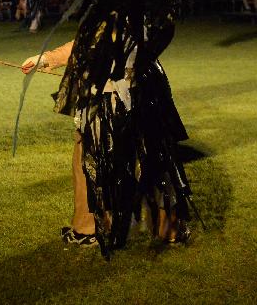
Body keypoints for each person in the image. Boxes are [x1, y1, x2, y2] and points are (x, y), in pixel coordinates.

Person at [21, 37, 191, 251]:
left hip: (108, 101)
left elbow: (88, 41)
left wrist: (47, 58)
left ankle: (87, 228)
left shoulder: (111, 10)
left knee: (89, 161)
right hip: (146, 93)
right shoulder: (147, 10)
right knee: (154, 159)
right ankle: (169, 229)